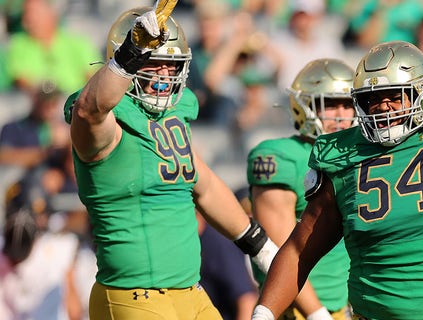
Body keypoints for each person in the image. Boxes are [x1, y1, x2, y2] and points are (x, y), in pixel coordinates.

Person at [252, 16, 423, 320]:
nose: (382, 107)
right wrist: (263, 313)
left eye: (395, 96)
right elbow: (299, 249)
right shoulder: (344, 154)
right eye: (372, 99)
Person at [63, 1, 278, 319]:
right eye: (154, 63)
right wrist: (130, 52)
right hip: (133, 296)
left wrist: (258, 243)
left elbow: (203, 184)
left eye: (171, 65)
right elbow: (90, 110)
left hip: (191, 291)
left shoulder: (172, 115)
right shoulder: (108, 122)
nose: (165, 74)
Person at [247, 58, 354, 320]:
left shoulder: (355, 156)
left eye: (348, 104)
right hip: (294, 308)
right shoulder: (281, 156)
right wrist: (316, 312)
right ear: (304, 105)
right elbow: (278, 248)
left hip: (343, 305)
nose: (341, 114)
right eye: (329, 104)